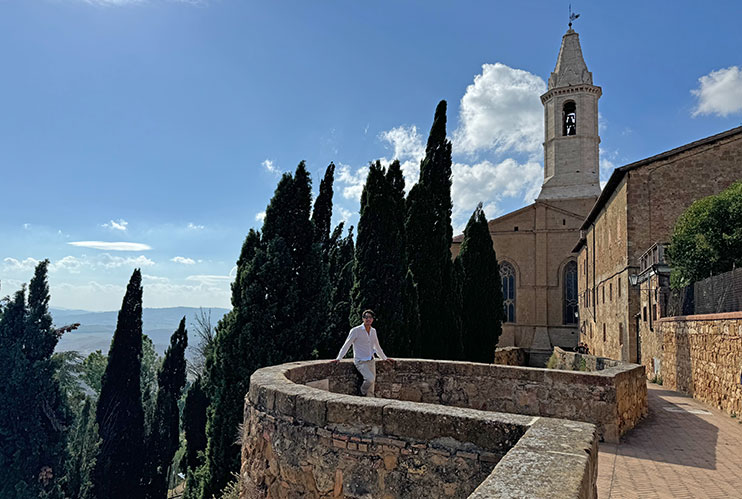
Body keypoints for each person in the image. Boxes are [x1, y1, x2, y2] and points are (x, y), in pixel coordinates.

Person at [331, 309, 393, 397]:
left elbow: (377, 346)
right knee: (370, 379)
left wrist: (384, 358)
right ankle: (362, 391)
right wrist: (339, 358)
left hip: (371, 360)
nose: (368, 319)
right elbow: (347, 344)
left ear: (372, 319)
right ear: (363, 319)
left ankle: (371, 402)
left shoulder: (373, 331)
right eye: (366, 317)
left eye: (370, 317)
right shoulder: (356, 330)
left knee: (372, 386)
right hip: (360, 361)